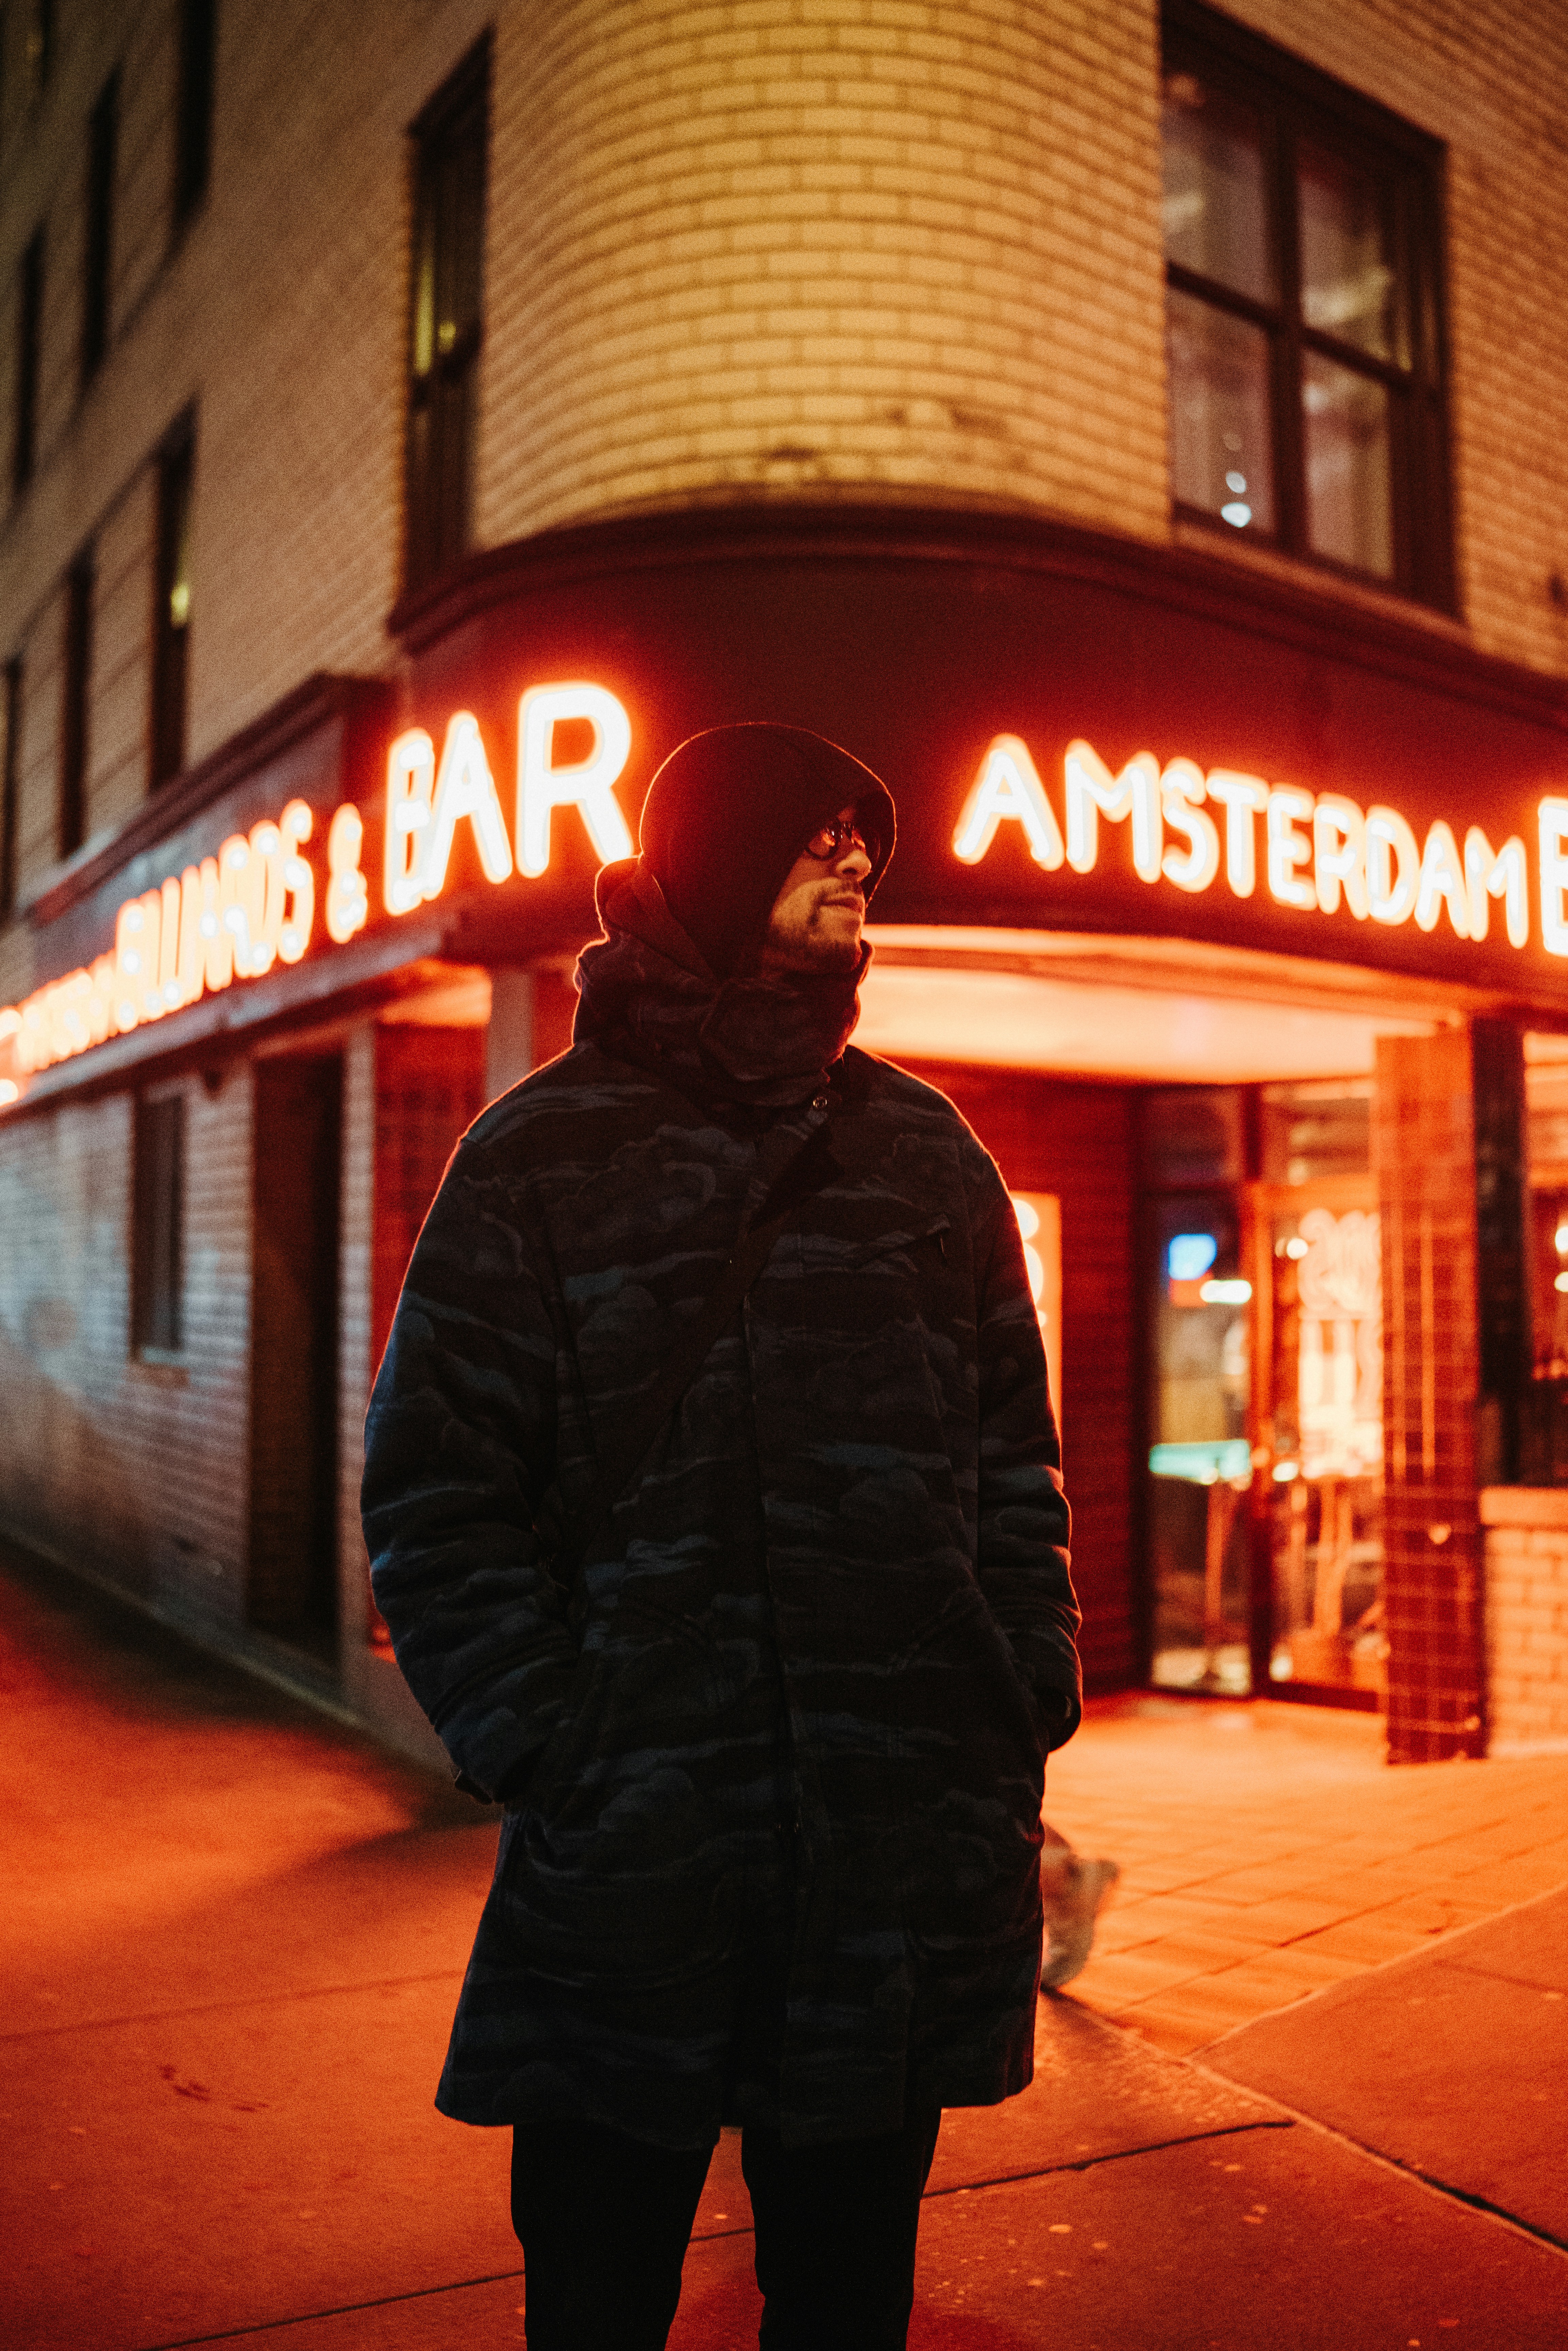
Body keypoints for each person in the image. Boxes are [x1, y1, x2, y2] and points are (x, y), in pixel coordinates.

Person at [362, 723, 1083, 2350]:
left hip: (888, 1846)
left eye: (863, 846)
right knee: (600, 2285)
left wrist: (1017, 1681)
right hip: (643, 1854)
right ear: (711, 859)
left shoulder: (922, 1153)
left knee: (844, 2293)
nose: (852, 865)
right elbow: (435, 1485)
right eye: (816, 833)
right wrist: (553, 1742)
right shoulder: (540, 1154)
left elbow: (1008, 1463)